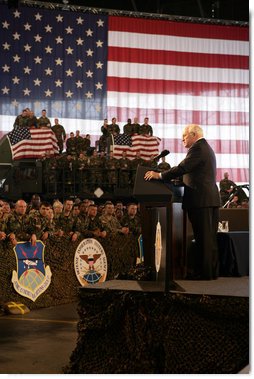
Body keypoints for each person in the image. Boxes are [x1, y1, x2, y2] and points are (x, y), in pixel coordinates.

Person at [144, 124, 220, 280]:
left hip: (201, 200)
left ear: (193, 135)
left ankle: (204, 274)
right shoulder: (205, 148)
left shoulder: (198, 148)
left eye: (184, 136)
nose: (182, 139)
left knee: (203, 238)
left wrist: (159, 176)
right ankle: (210, 272)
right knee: (208, 238)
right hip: (207, 199)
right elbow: (194, 172)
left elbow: (183, 167)